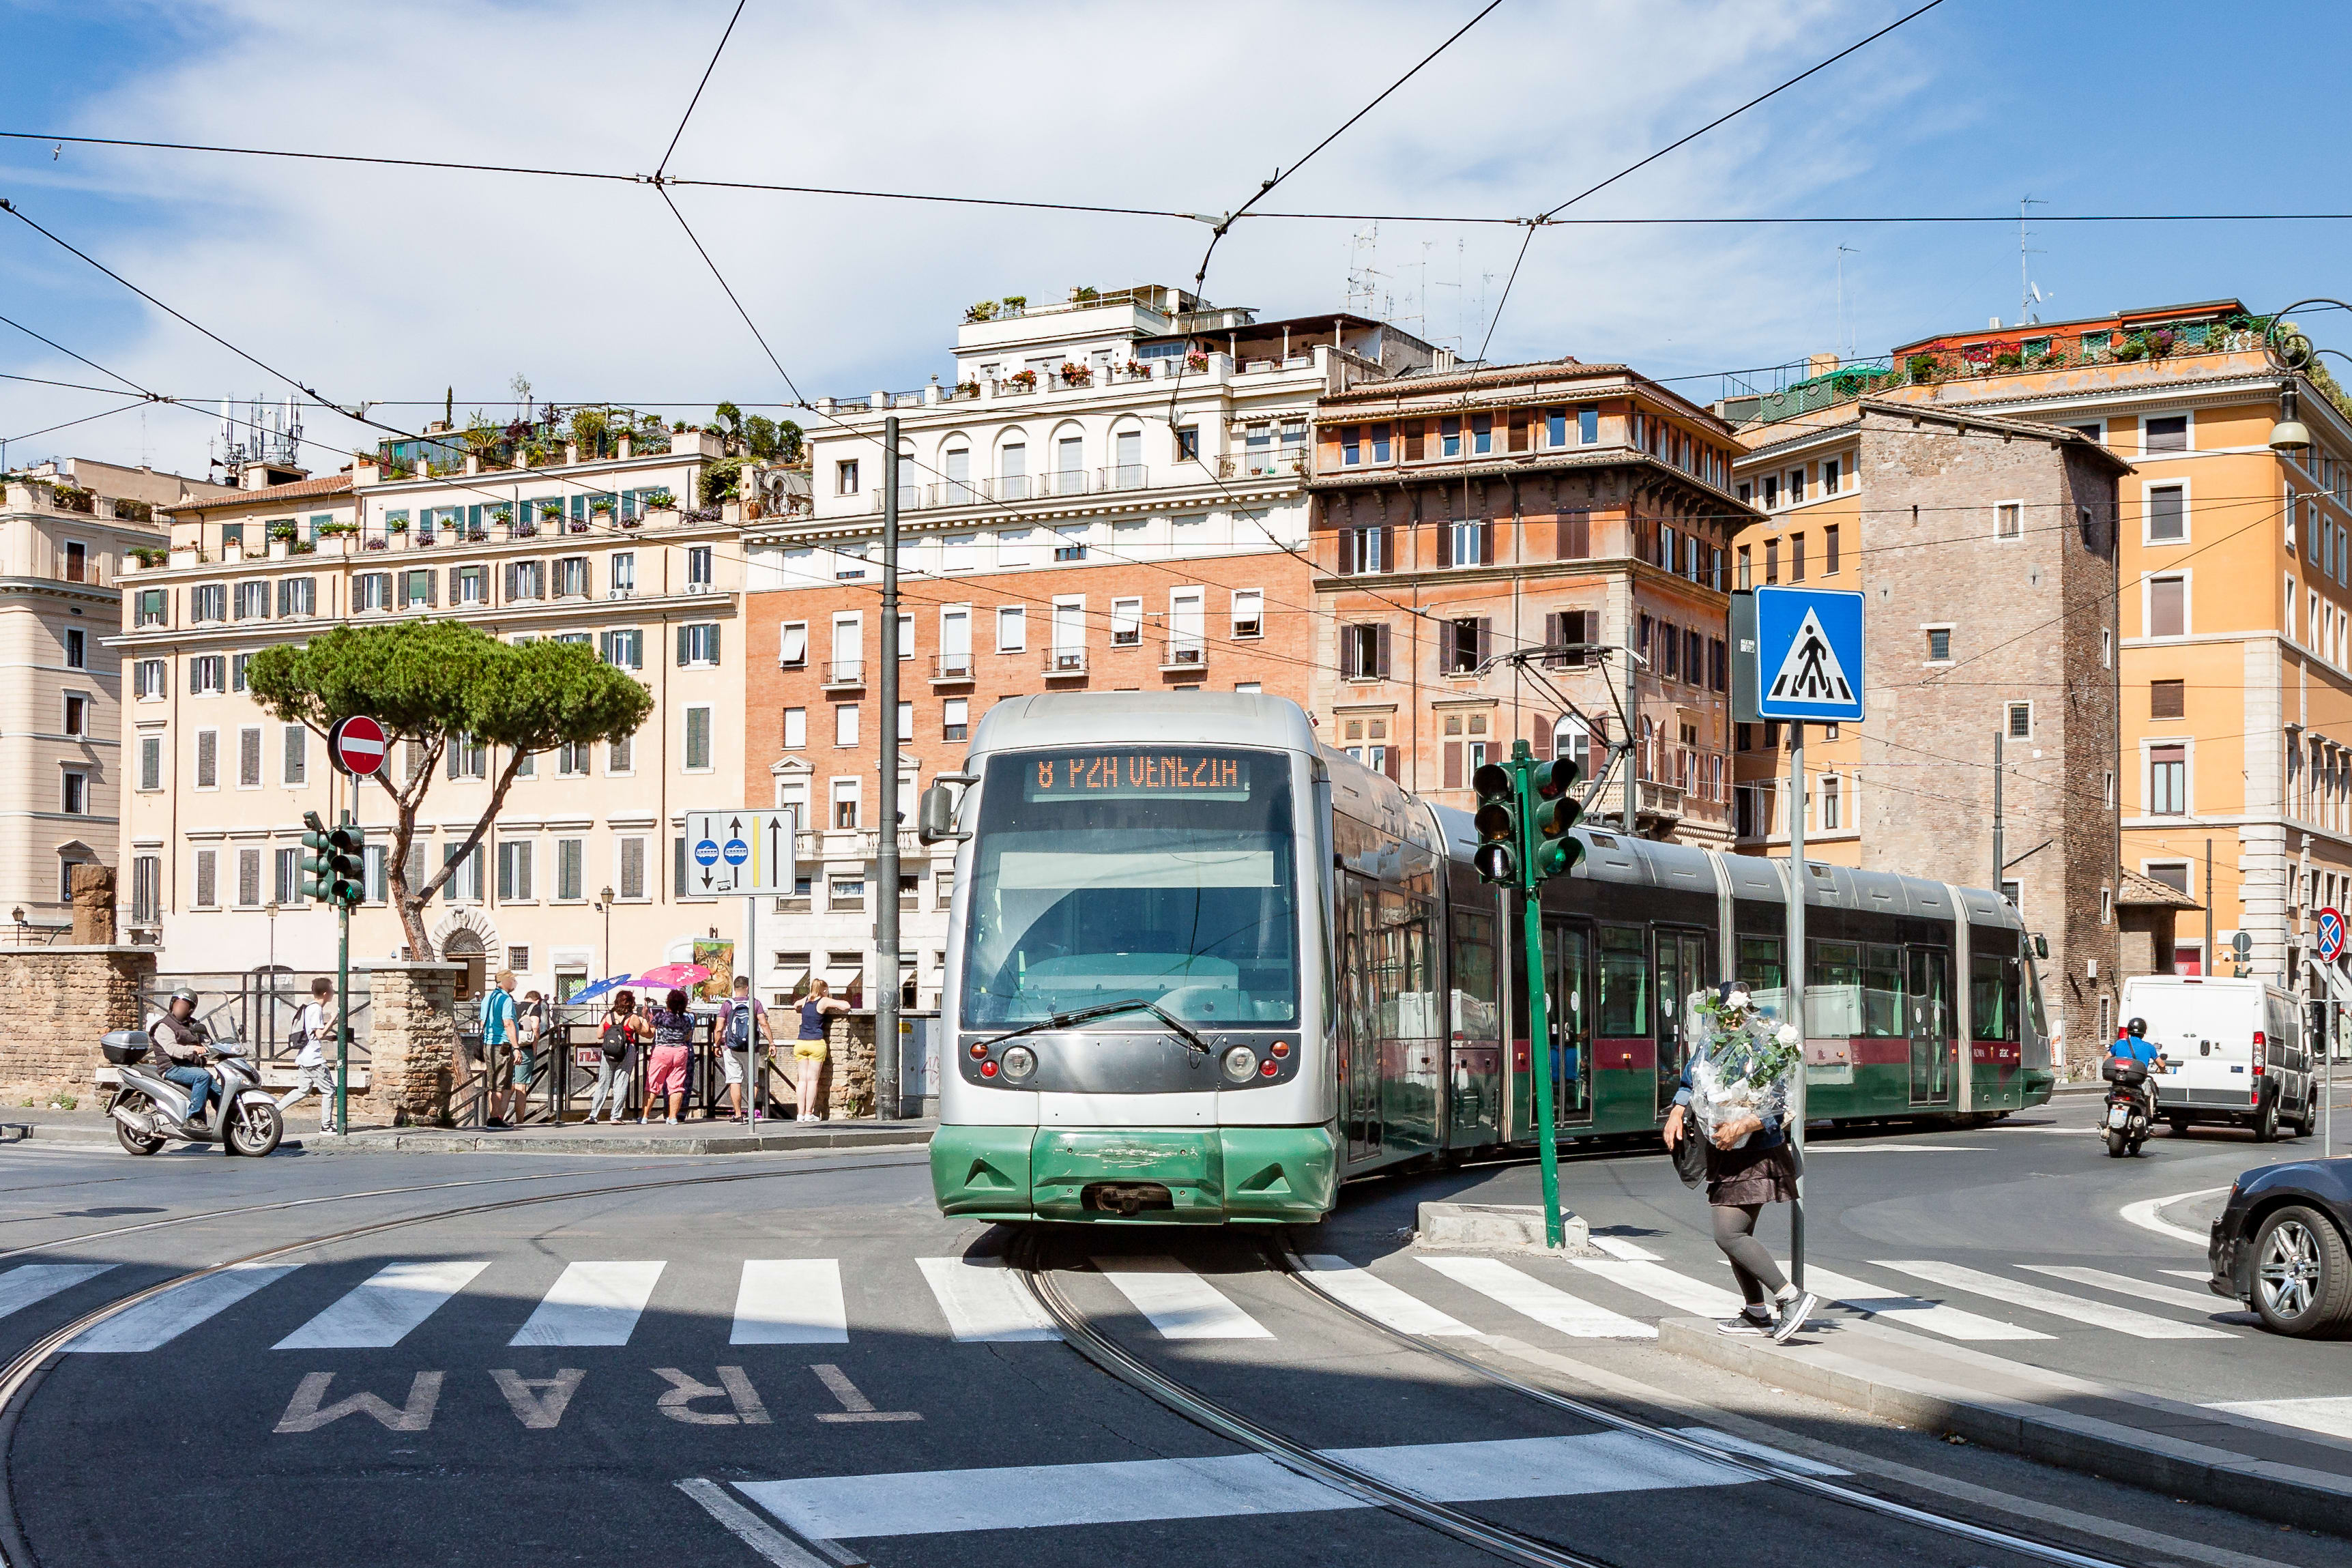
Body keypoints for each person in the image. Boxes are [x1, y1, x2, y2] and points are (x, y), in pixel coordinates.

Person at [1664, 982, 1818, 1343]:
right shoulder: (1710, 1042)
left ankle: (1790, 1298)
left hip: (1756, 1154)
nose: (1728, 1020)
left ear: (1747, 1010)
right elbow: (1691, 1080)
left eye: (1735, 1013)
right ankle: (1756, 1312)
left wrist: (1742, 1125)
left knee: (1728, 1233)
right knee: (1737, 1236)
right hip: (1725, 1153)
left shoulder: (1763, 1044)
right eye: (1721, 1015)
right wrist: (1678, 1109)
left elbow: (1781, 1108)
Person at [276, 977, 341, 1135]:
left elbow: (312, 1033)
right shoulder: (316, 1009)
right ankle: (326, 1126)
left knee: (302, 1090)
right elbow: (318, 1034)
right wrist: (333, 1019)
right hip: (313, 1060)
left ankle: (273, 1110)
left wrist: (328, 1038)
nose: (333, 992)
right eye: (332, 990)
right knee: (329, 1091)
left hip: (304, 1057)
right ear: (326, 993)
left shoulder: (310, 1007)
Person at [149, 987, 215, 1132]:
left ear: (190, 1009)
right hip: (172, 1067)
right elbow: (172, 1049)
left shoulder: (193, 1024)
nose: (180, 1008)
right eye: (178, 1004)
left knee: (218, 1091)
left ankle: (230, 1123)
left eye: (184, 1006)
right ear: (172, 1005)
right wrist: (193, 1049)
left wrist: (217, 1046)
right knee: (203, 1076)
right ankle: (193, 1119)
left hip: (190, 1067)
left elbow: (207, 1041)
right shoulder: (164, 1026)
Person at [794, 978, 852, 1123]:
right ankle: (809, 1113)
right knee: (812, 1081)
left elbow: (795, 1005)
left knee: (802, 1081)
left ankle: (800, 1114)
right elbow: (846, 1006)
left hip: (801, 1043)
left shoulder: (806, 999)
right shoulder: (824, 1001)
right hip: (815, 1043)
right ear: (824, 990)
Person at [588, 990, 650, 1124]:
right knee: (620, 1083)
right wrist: (644, 1017)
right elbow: (647, 1034)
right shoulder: (633, 1018)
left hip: (608, 1052)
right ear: (631, 1002)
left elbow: (599, 1035)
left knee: (603, 1083)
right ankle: (615, 1116)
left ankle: (593, 1115)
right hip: (627, 1051)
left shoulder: (608, 1016)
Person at [717, 976, 770, 1122]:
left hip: (732, 1048)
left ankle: (738, 1115)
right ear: (747, 988)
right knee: (753, 1081)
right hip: (751, 1048)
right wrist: (772, 1043)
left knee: (735, 1080)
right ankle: (751, 1113)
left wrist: (716, 1044)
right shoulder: (756, 1003)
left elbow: (719, 1028)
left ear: (735, 989)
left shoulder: (727, 1005)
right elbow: (764, 1024)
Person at [643, 987, 697, 1124]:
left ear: (668, 1002)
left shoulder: (660, 1016)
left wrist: (646, 1018)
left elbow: (650, 1033)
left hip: (662, 1051)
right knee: (677, 1085)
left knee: (653, 1084)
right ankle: (673, 1117)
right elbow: (687, 1036)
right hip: (680, 1051)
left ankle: (645, 1116)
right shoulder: (685, 1019)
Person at [500, 988, 547, 1127]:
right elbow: (536, 1026)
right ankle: (520, 1122)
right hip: (524, 1049)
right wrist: (535, 1047)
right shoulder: (535, 1007)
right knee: (521, 1087)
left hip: (510, 1048)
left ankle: (499, 1118)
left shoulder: (513, 1005)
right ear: (538, 1000)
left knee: (509, 1086)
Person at [480, 970, 519, 1129]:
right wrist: (516, 1047)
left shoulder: (487, 998)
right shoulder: (505, 999)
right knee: (499, 1084)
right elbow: (508, 1023)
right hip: (502, 1045)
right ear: (505, 981)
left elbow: (483, 1022)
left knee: (495, 1083)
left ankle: (496, 1117)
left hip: (488, 1044)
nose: (515, 983)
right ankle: (495, 1119)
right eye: (513, 980)